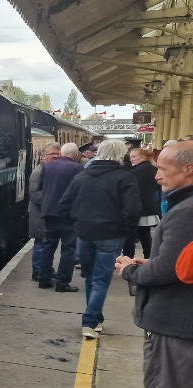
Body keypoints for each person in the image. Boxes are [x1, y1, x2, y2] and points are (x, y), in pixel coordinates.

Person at [116, 139, 193, 388]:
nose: (156, 174)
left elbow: (169, 270)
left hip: (176, 322)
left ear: (188, 170)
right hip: (178, 319)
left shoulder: (186, 212)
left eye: (163, 168)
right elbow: (178, 264)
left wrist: (132, 270)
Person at [57, 139, 139, 339]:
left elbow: (63, 206)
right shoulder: (125, 178)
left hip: (84, 234)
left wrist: (77, 225)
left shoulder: (82, 177)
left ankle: (96, 319)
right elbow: (133, 210)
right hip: (111, 235)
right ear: (122, 155)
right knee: (101, 279)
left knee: (90, 277)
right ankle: (90, 321)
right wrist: (125, 231)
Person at [37, 142, 83, 292]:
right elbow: (79, 191)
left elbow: (42, 186)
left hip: (48, 212)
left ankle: (44, 279)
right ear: (76, 155)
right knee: (68, 249)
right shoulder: (77, 168)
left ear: (62, 153)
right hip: (68, 214)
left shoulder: (47, 166)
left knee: (48, 246)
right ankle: (62, 283)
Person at [29, 143, 61, 281]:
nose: (56, 156)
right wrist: (53, 206)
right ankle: (37, 271)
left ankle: (46, 269)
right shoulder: (38, 172)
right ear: (44, 157)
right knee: (41, 243)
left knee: (46, 243)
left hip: (48, 214)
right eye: (52, 154)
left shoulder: (51, 170)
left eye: (58, 153)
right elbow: (36, 194)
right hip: (40, 214)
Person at [122, 147, 161, 259]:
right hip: (148, 206)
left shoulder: (140, 170)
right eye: (131, 157)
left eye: (134, 157)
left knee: (132, 234)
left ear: (143, 157)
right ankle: (149, 257)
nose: (131, 159)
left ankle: (128, 257)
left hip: (140, 207)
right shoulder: (150, 168)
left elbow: (135, 189)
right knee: (144, 235)